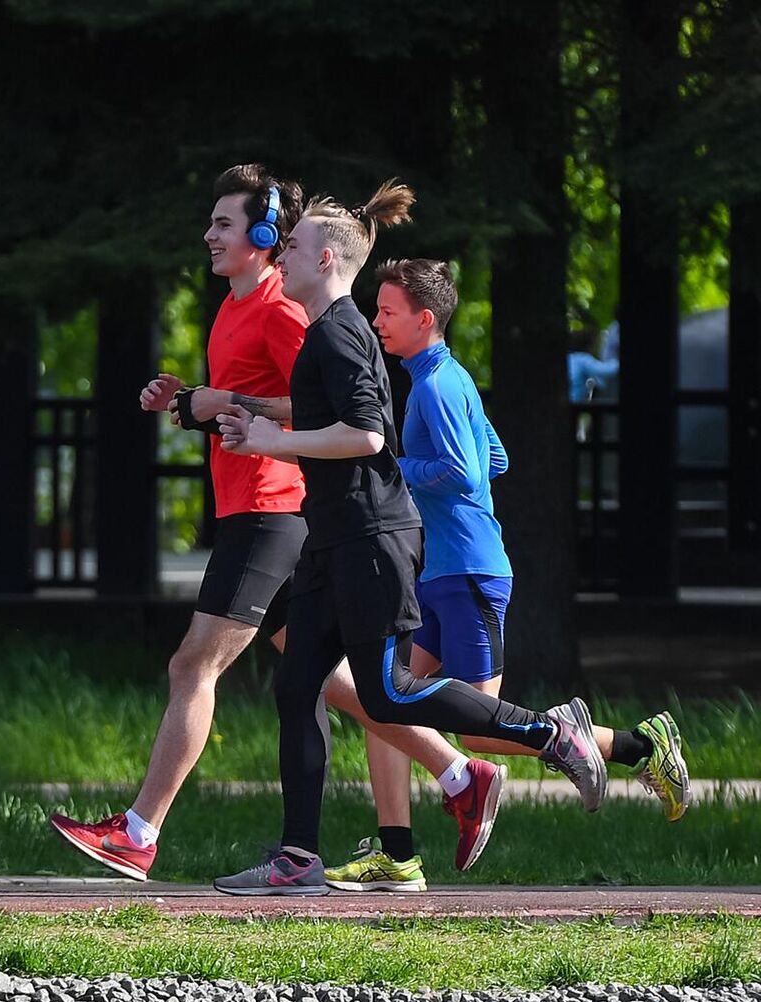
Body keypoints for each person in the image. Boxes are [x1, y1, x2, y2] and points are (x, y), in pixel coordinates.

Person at [48, 165, 502, 884]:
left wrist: (225, 400)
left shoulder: (283, 308)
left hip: (273, 510)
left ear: (265, 239)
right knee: (331, 682)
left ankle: (138, 832)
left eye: (225, 224)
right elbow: (266, 402)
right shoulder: (233, 308)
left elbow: (328, 412)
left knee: (193, 664)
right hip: (266, 511)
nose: (209, 235)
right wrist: (189, 400)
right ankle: (456, 775)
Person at [212, 181, 665, 896]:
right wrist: (252, 427)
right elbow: (347, 429)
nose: (278, 256)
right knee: (299, 685)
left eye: (291, 247)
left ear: (326, 258)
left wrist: (277, 437)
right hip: (334, 542)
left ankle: (551, 735)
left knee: (389, 693)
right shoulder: (328, 330)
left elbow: (366, 434)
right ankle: (297, 857)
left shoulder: (338, 330)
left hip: (371, 542)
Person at [326, 260, 691, 892]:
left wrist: (390, 469)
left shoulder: (437, 387)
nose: (377, 322)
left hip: (468, 572)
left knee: (475, 727)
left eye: (386, 312)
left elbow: (467, 472)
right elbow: (495, 456)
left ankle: (632, 746)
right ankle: (396, 851)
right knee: (383, 700)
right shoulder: (444, 379)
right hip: (440, 572)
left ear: (424, 319)